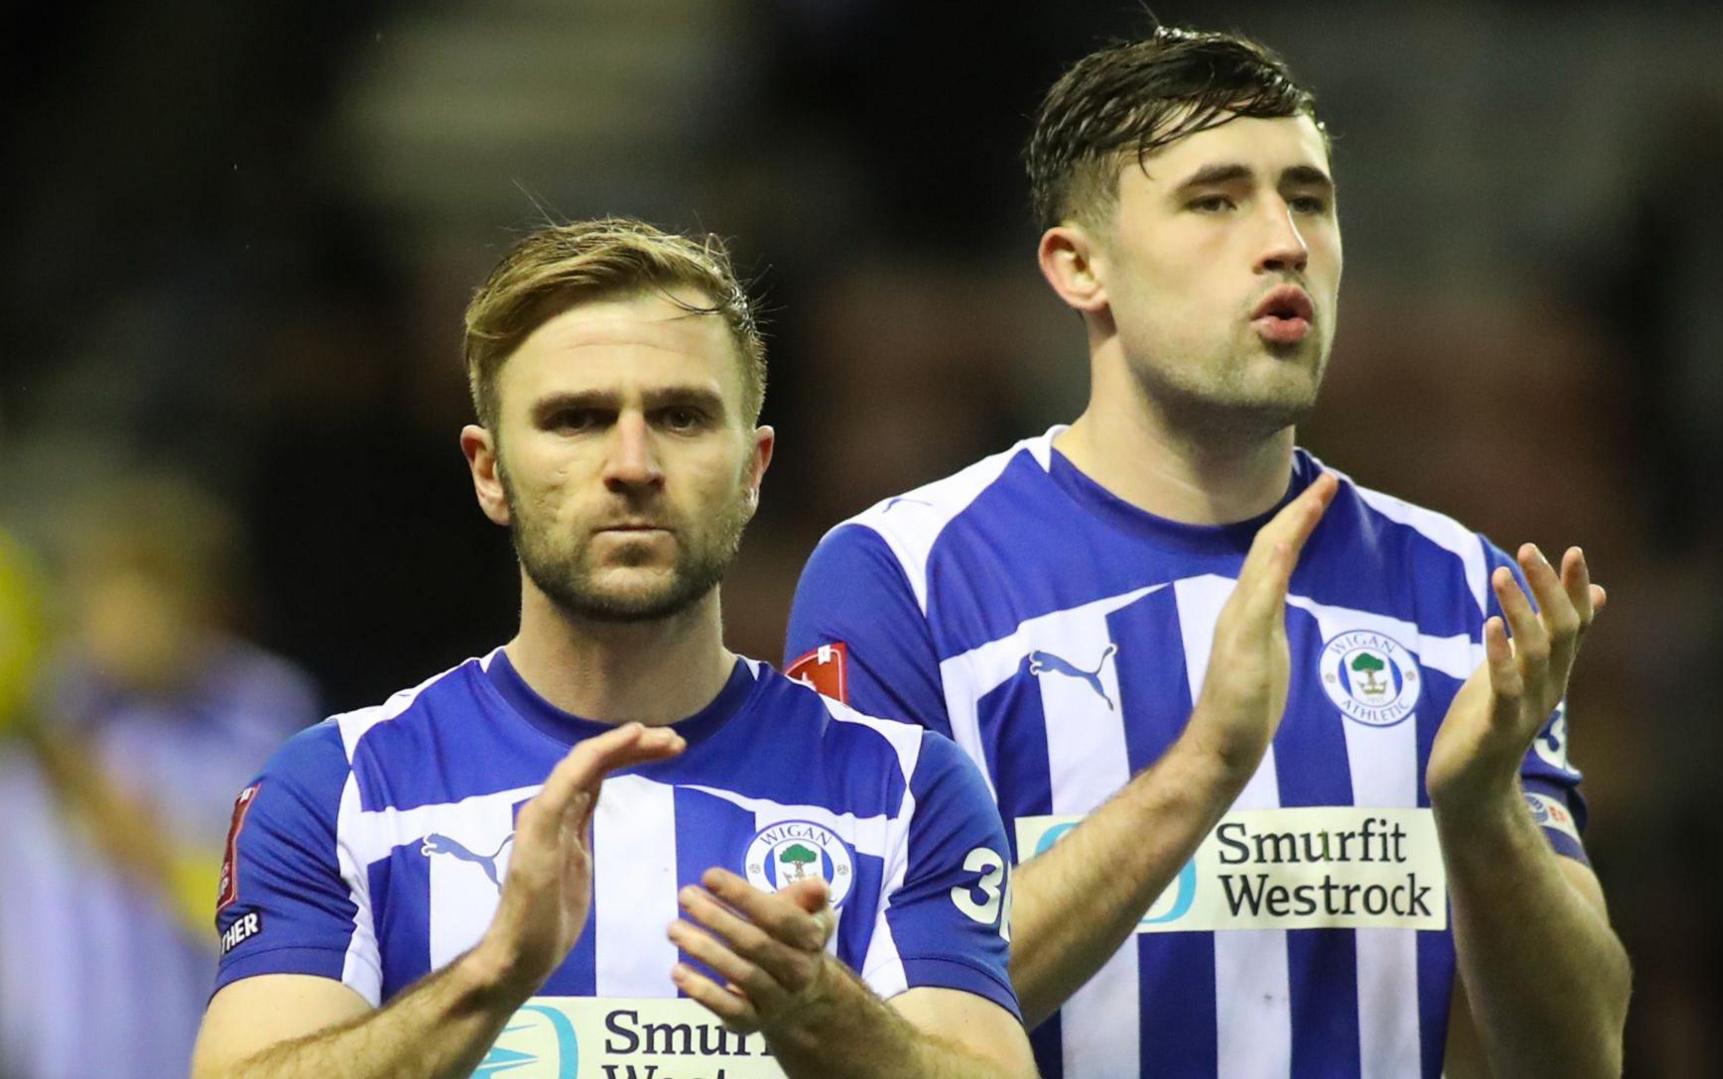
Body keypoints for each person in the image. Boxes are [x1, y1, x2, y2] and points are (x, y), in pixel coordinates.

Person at [785, 27, 1630, 1079]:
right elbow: (852, 1023)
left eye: (1308, 199)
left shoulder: (1465, 590)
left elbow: (1580, 1055)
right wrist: (1201, 771)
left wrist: (1484, 811)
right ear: (1079, 264)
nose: (1283, 241)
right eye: (1215, 200)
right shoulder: (904, 579)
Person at [193, 219, 1037, 1078]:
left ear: (753, 466)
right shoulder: (340, 789)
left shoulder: (905, 787)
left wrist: (829, 1015)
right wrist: (492, 975)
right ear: (489, 471)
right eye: (578, 419)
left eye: (680, 415)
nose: (632, 463)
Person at [0, 484, 322, 1079]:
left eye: (156, 600)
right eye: (112, 601)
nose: (133, 625)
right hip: (67, 1059)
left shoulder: (262, 716)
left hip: (207, 1052)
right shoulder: (39, 719)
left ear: (202, 606)